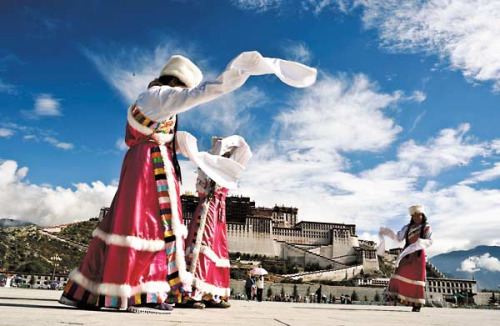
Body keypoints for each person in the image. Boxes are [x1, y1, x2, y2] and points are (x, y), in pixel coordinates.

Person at [58, 51, 316, 313]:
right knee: (149, 224)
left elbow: (170, 139)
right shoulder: (160, 97)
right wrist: (239, 71)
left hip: (143, 163)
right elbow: (201, 94)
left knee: (125, 222)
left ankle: (87, 291)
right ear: (179, 84)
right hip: (150, 167)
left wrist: (204, 155)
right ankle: (135, 291)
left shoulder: (151, 102)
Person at [181, 134, 252, 308]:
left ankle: (213, 292)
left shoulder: (227, 172)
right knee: (201, 246)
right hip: (208, 209)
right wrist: (221, 147)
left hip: (219, 214)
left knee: (218, 251)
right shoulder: (207, 169)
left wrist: (231, 142)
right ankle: (192, 292)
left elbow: (244, 148)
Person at [378, 205, 433, 312]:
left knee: (417, 279)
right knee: (398, 274)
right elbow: (398, 238)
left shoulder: (427, 227)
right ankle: (394, 297)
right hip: (406, 255)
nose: (417, 217)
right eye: (414, 216)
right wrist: (388, 232)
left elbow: (430, 241)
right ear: (412, 216)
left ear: (422, 215)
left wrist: (420, 243)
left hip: (418, 255)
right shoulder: (407, 227)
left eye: (419, 215)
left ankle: (416, 304)